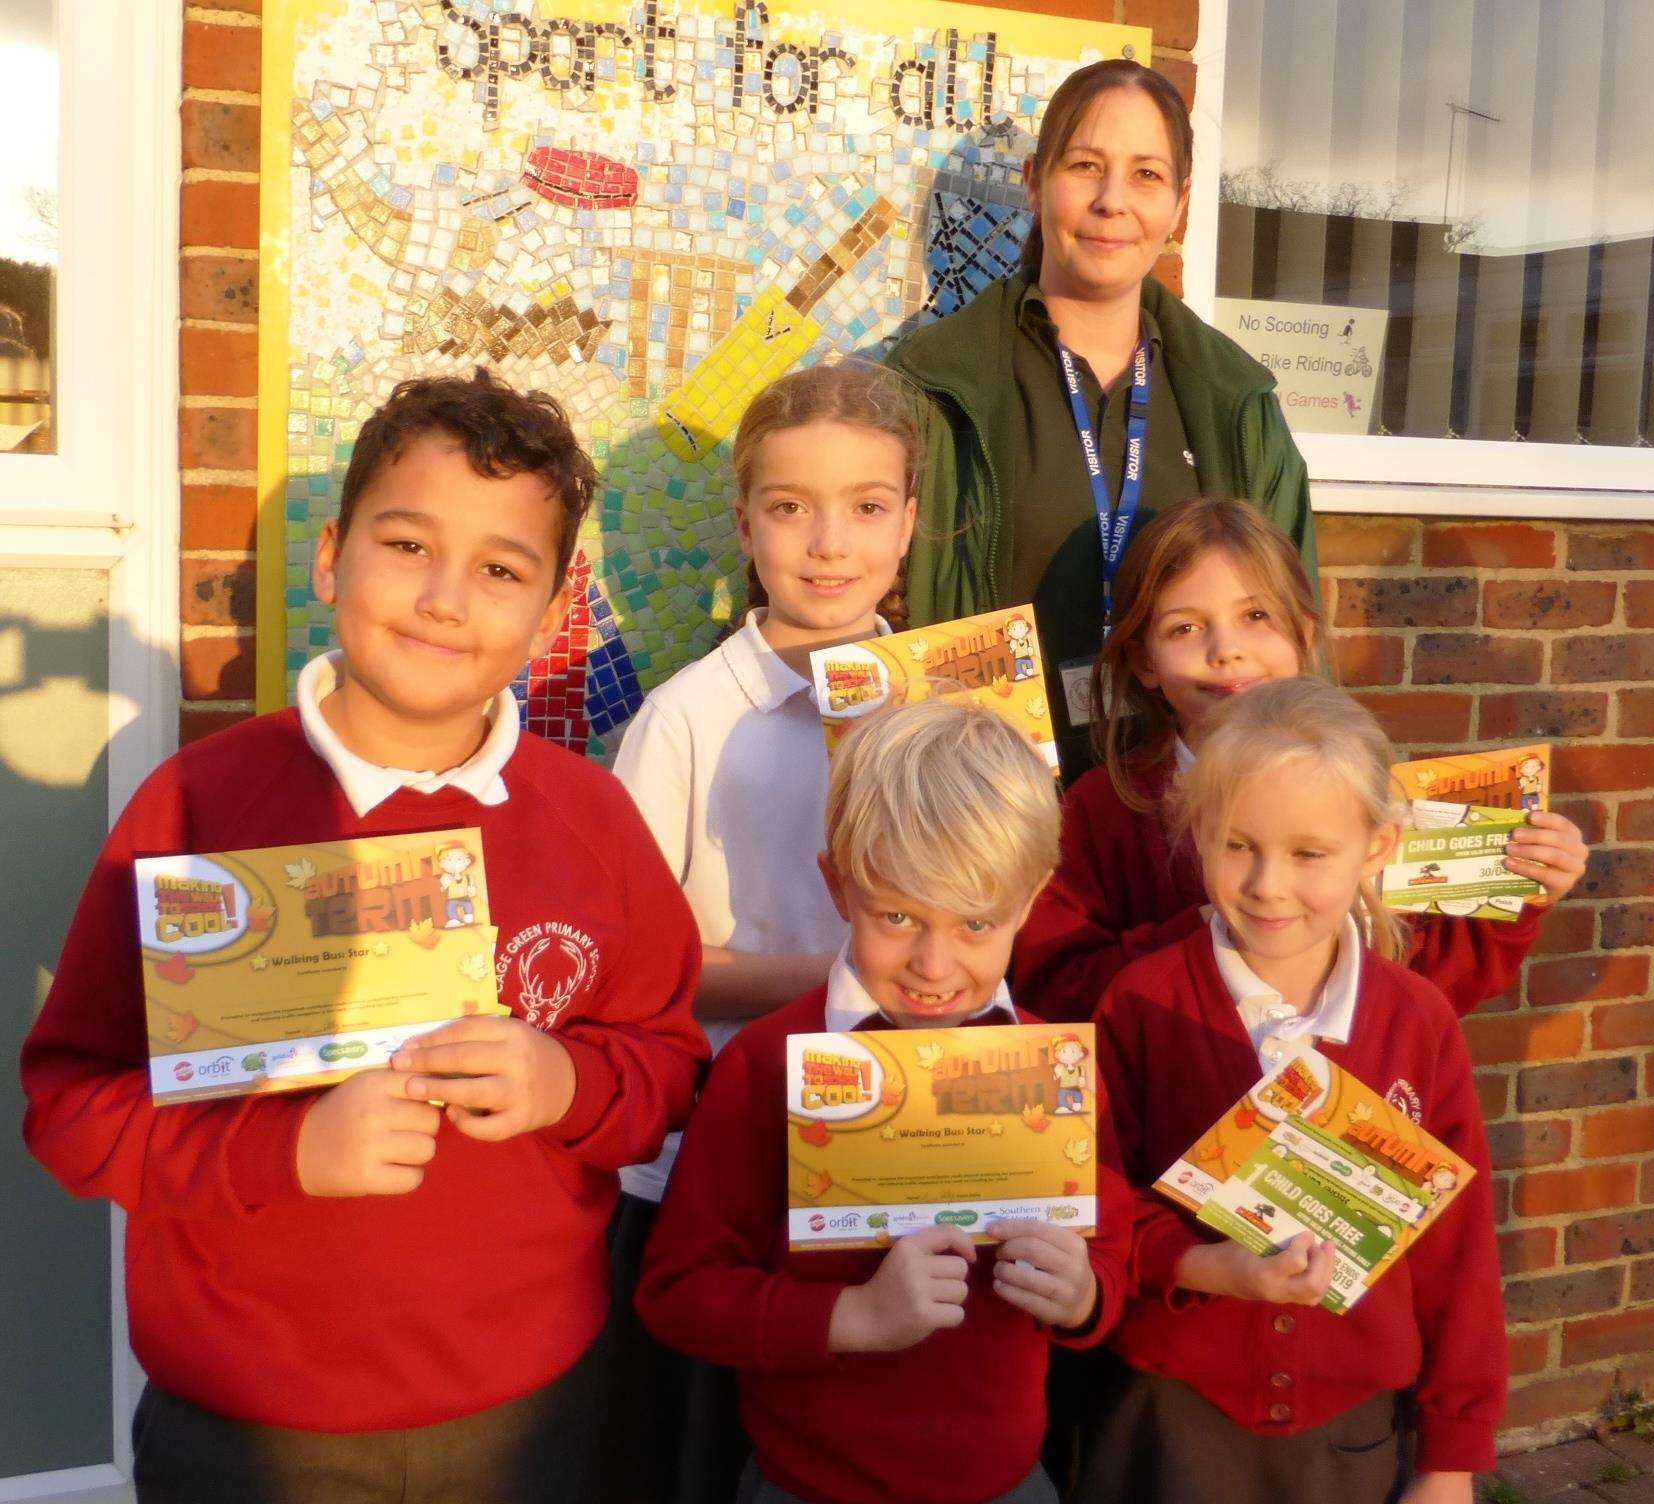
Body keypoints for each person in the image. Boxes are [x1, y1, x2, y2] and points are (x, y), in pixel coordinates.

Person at [20, 371, 707, 1503]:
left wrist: (565, 1080)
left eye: (500, 568)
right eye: (407, 544)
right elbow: (73, 1109)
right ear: (332, 555)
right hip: (248, 1429)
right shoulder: (195, 810)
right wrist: (284, 1152)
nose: (446, 598)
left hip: (529, 1420)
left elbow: (670, 1069)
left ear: (551, 604)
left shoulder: (591, 823)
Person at [635, 701, 1134, 1504]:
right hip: (808, 1485)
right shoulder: (766, 1065)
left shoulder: (1055, 1069)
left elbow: (1111, 1236)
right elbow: (680, 1292)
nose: (934, 965)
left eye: (976, 923)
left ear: (1033, 897)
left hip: (1005, 1484)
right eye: (897, 916)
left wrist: (1085, 1295)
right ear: (838, 884)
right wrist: (854, 1318)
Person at [600, 361, 918, 1503]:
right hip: (722, 1184)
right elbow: (638, 976)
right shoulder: (683, 719)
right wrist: (847, 973)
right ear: (744, 524)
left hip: (905, 1156)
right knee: (714, 1463)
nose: (829, 544)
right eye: (791, 507)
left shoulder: (943, 709)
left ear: (909, 523)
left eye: (867, 506)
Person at [1082, 677, 1505, 1504]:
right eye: (1237, 845)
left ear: (1376, 847)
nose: (1269, 885)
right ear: (1197, 831)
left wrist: (1450, 1455)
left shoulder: (1417, 1019)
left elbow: (1460, 1253)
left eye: (1309, 854)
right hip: (1168, 1412)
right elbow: (1092, 1199)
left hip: (1351, 1427)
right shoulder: (1139, 1002)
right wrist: (1205, 1264)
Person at [887, 59, 1314, 779]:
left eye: (1146, 175)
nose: (1112, 200)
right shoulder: (933, 388)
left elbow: (1299, 651)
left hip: (1193, 819)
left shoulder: (1236, 402)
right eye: (1086, 165)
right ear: (1034, 181)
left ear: (1179, 205)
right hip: (993, 818)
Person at [1011, 497, 1587, 1023]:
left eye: (1256, 616)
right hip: (1171, 1116)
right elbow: (1054, 987)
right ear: (1144, 662)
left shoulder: (1359, 789)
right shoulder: (1097, 812)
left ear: (1304, 634)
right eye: (1185, 627)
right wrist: (1223, 929)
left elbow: (1424, 980)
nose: (1226, 650)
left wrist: (1520, 887)